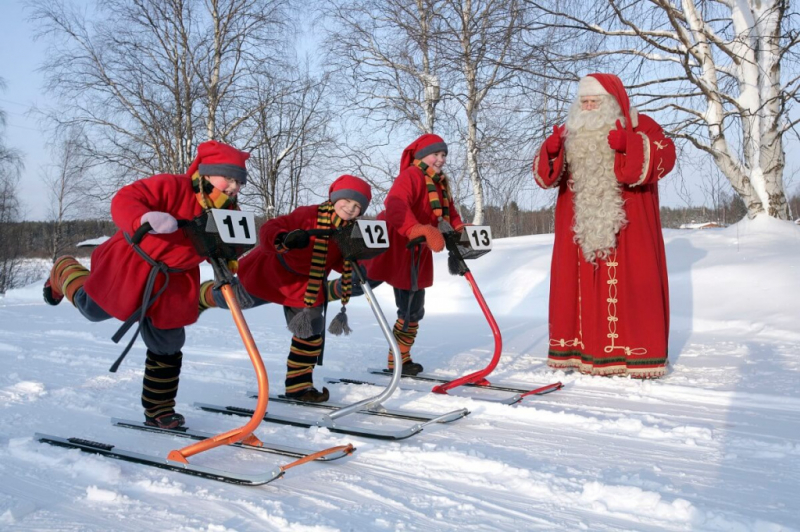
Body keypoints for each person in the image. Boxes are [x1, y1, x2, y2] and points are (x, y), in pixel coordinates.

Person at [43, 140, 250, 428]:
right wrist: (143, 217)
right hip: (134, 264)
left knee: (168, 341)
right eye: (228, 178)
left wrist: (233, 256)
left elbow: (231, 247)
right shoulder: (172, 186)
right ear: (207, 173)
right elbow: (125, 199)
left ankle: (159, 410)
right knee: (92, 309)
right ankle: (63, 269)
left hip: (176, 280)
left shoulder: (230, 211)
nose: (234, 187)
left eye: (239, 181)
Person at [532, 73, 676, 378]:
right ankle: (577, 353)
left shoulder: (640, 125)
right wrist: (551, 149)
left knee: (634, 285)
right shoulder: (570, 132)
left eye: (594, 101)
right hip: (579, 230)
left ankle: (634, 358)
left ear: (611, 103)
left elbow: (667, 156)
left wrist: (630, 144)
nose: (587, 107)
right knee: (576, 285)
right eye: (583, 101)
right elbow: (546, 179)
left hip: (629, 228)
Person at [199, 175, 372, 402]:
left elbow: (339, 261)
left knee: (310, 328)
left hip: (305, 286)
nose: (350, 208)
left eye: (357, 206)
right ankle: (203, 294)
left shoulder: (348, 231)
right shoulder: (307, 214)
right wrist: (285, 238)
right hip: (272, 274)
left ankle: (299, 387)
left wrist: (356, 262)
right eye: (346, 201)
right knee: (236, 301)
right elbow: (271, 228)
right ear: (334, 197)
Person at [357, 133, 467, 376]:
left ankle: (400, 359)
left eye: (443, 155)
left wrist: (461, 232)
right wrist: (416, 228)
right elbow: (395, 205)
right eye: (436, 154)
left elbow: (450, 213)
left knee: (413, 309)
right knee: (357, 285)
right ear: (420, 155)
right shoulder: (410, 176)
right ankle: (314, 296)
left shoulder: (440, 183)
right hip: (396, 246)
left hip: (418, 248)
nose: (440, 160)